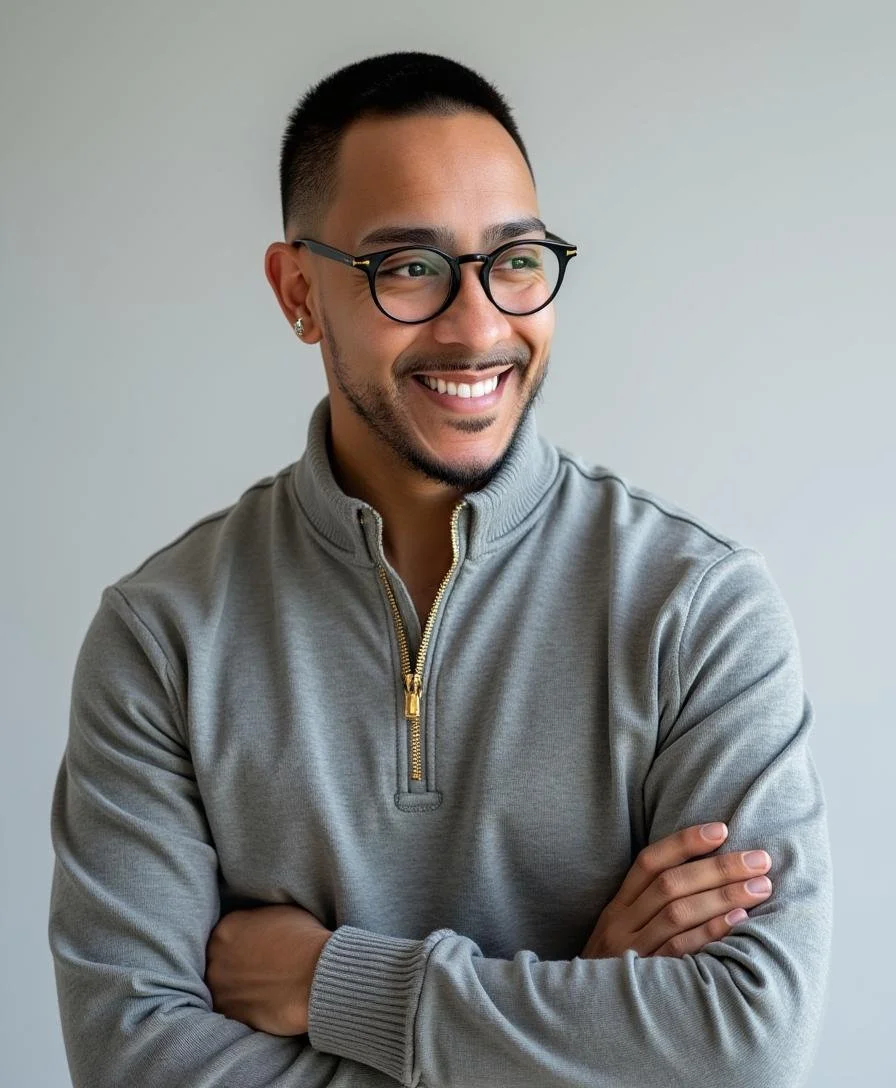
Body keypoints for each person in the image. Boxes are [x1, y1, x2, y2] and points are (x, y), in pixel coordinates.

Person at [49, 51, 832, 1088]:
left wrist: (338, 982)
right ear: (298, 294)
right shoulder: (163, 638)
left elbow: (745, 1041)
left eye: (514, 260)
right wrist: (584, 1010)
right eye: (406, 267)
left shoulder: (695, 607)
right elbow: (133, 1058)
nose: (478, 325)